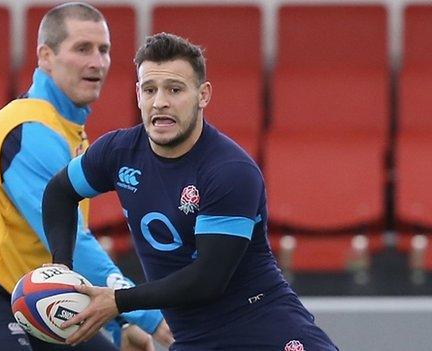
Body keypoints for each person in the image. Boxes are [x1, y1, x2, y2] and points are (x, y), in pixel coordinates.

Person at [42, 32, 340, 351]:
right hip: (192, 339)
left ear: (203, 95)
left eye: (175, 89)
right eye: (150, 89)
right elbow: (60, 192)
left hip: (261, 325)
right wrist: (63, 269)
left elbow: (208, 279)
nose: (160, 102)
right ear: (138, 95)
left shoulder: (229, 170)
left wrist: (117, 301)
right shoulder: (117, 152)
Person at [0, 3, 172, 351]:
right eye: (82, 49)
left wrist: (117, 323)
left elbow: (61, 249)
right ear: (46, 56)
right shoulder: (30, 133)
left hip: (28, 291)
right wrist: (149, 316)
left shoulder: (63, 130)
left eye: (104, 49)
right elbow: (72, 242)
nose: (97, 61)